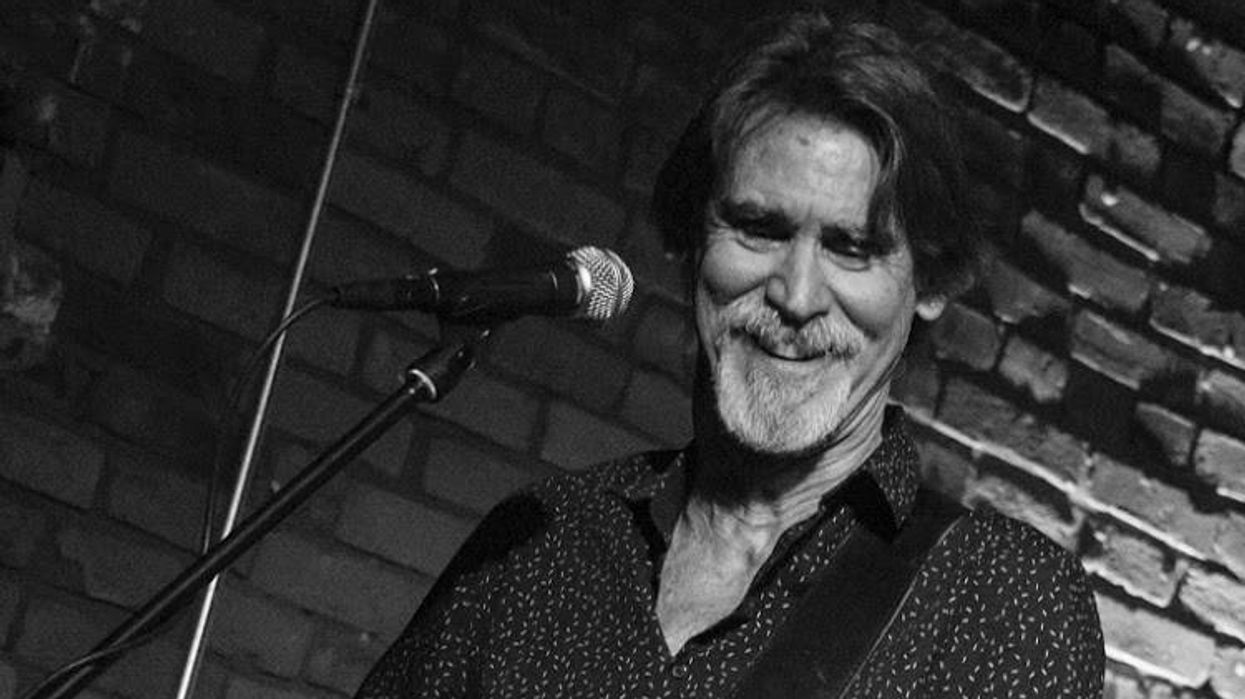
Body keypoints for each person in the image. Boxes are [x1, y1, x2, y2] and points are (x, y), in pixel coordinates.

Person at [354, 11, 1104, 698]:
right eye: (758, 229)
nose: (796, 295)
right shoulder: (540, 540)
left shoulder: (1001, 597)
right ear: (690, 241)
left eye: (851, 247)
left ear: (930, 282)